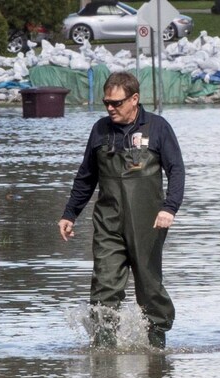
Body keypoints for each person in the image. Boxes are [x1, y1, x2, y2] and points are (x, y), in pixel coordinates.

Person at [58, 71, 185, 349]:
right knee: (104, 287)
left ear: (135, 99)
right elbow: (86, 177)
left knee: (150, 289)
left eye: (116, 103)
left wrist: (169, 208)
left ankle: (156, 348)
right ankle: (104, 351)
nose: (110, 108)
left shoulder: (158, 127)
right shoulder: (100, 130)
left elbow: (176, 171)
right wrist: (70, 214)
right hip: (108, 224)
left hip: (149, 224)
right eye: (106, 103)